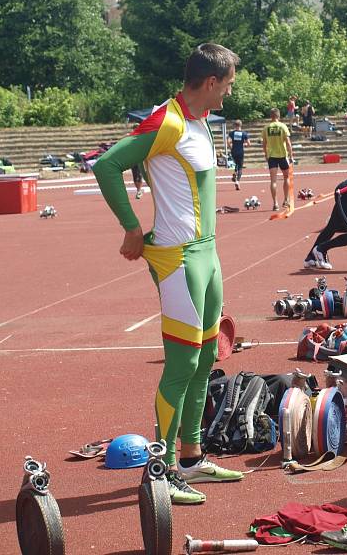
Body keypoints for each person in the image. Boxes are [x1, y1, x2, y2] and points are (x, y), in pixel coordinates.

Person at [93, 44, 244, 505]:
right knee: (181, 365)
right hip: (178, 260)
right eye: (231, 82)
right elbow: (106, 164)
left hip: (208, 256)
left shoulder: (199, 122)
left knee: (203, 361)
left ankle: (191, 459)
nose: (233, 89)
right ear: (212, 82)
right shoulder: (168, 121)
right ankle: (159, 470)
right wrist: (131, 227)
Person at [262, 107, 294, 211]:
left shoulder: (266, 128)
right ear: (278, 116)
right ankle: (286, 200)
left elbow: (264, 144)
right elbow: (288, 143)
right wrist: (291, 156)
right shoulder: (283, 126)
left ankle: (275, 203)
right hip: (282, 156)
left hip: (272, 157)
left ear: (271, 116)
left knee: (273, 181)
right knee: (286, 178)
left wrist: (266, 155)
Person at [227, 119, 250, 190]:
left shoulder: (232, 133)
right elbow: (249, 143)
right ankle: (237, 181)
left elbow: (228, 142)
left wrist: (231, 147)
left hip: (233, 151)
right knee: (240, 167)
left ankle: (234, 172)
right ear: (241, 125)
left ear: (235, 125)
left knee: (236, 164)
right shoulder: (244, 133)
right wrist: (244, 144)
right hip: (240, 151)